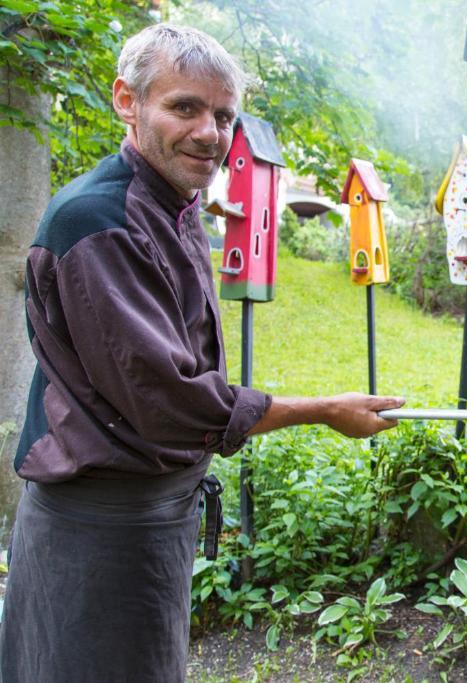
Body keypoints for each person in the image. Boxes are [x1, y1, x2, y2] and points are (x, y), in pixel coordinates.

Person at [0, 23, 403, 682]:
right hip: (99, 528)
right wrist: (327, 408)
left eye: (223, 115)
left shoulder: (176, 205)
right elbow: (172, 401)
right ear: (126, 102)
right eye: (184, 106)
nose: (211, 132)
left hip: (151, 519)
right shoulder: (98, 223)